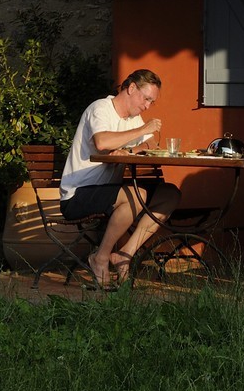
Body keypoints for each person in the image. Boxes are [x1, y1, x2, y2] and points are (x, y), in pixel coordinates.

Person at [60, 68, 181, 288]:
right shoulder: (101, 109)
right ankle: (101, 257)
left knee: (169, 194)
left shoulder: (133, 119)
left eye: (151, 102)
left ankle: (125, 254)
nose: (147, 106)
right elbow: (103, 142)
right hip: (78, 194)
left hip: (108, 190)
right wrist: (142, 130)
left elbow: (151, 144)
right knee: (137, 194)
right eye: (146, 99)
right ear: (131, 87)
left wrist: (131, 150)